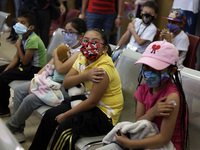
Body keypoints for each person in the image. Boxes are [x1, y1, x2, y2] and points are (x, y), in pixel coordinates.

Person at [29, 28, 124, 150]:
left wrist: (65, 115)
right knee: (50, 115)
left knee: (65, 128)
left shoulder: (103, 69)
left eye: (94, 42)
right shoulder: (81, 58)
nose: (89, 45)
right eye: (86, 41)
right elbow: (66, 83)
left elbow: (92, 102)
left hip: (103, 115)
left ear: (104, 49)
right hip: (84, 102)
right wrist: (86, 75)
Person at [6, 18, 87, 143]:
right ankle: (18, 131)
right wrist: (35, 80)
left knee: (29, 99)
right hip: (51, 81)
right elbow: (47, 66)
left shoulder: (79, 52)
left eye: (71, 32)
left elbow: (60, 69)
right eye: (65, 31)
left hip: (65, 87)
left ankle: (10, 128)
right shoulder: (64, 47)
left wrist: (55, 55)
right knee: (18, 90)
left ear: (81, 35)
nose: (67, 35)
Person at [98, 41, 189, 150]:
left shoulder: (171, 97)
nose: (148, 73)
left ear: (172, 71)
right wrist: (153, 112)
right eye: (146, 67)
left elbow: (164, 138)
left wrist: (129, 144)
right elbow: (139, 122)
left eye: (155, 69)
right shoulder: (143, 89)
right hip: (143, 140)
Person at [0, 10, 47, 117]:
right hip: (26, 66)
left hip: (35, 70)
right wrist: (7, 69)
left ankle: (4, 108)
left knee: (3, 77)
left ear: (31, 27)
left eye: (22, 22)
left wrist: (18, 47)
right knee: (3, 72)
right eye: (18, 21)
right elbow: (16, 58)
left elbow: (25, 62)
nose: (18, 24)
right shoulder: (22, 36)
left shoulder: (33, 39)